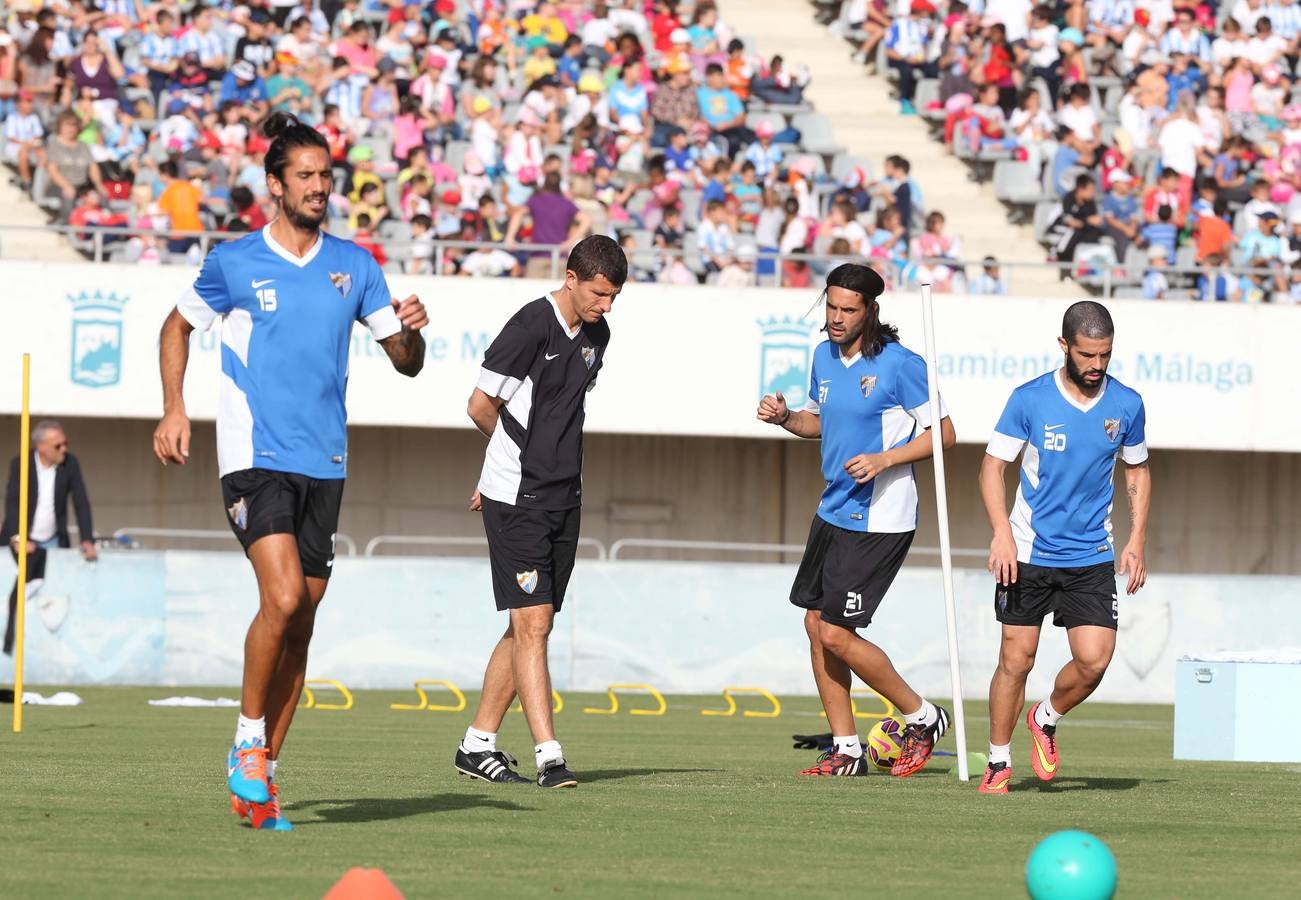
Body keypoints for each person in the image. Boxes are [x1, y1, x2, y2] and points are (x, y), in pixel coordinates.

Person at [151, 113, 428, 831]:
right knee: (280, 599)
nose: (317, 186)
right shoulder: (234, 261)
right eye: (303, 175)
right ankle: (246, 740)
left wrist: (412, 333)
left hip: (324, 463)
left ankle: (262, 785)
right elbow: (176, 324)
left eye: (323, 175)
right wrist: (173, 408)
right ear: (274, 185)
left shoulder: (356, 264)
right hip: (255, 455)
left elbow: (404, 362)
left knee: (301, 625)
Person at [756, 263, 956, 778]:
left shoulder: (900, 364)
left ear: (871, 311)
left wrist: (885, 459)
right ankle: (847, 749)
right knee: (814, 624)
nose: (838, 318)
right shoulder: (822, 355)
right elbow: (817, 422)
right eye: (832, 307)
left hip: (881, 517)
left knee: (837, 634)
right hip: (833, 508)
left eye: (849, 309)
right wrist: (784, 419)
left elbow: (946, 435)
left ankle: (922, 715)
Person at [457, 235, 627, 789]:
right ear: (572, 278)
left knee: (533, 620)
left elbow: (561, 414)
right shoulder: (529, 326)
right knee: (533, 624)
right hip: (518, 497)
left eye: (615, 296)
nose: (606, 305)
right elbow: (481, 406)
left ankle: (477, 744)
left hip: (564, 496)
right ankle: (549, 756)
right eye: (600, 293)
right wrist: (506, 469)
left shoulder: (599, 335)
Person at [977, 301, 1150, 794]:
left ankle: (1046, 717)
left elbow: (1137, 469)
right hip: (1028, 550)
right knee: (1017, 658)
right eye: (1087, 354)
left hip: (1091, 553)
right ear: (1064, 346)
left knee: (1095, 659)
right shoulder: (1029, 399)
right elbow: (992, 468)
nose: (1097, 365)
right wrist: (1002, 533)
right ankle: (997, 760)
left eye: (1105, 356)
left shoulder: (1127, 405)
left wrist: (1137, 538)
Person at [2, 421, 96, 657]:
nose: (64, 449)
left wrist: (87, 539)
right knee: (18, 592)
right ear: (41, 446)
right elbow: (13, 503)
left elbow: (81, 501)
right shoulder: (21, 464)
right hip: (23, 538)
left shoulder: (70, 464)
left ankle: (51, 650)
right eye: (58, 445)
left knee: (53, 596)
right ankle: (9, 645)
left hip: (53, 540)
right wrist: (17, 537)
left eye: (66, 444)